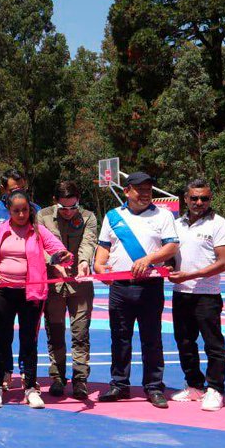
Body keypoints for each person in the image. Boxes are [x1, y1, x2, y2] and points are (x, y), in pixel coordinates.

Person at [95, 172, 179, 408]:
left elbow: (172, 246)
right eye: (139, 189)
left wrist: (149, 258)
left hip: (150, 287)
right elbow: (104, 247)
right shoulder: (112, 216)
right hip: (120, 288)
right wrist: (99, 266)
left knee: (151, 339)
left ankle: (154, 387)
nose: (144, 194)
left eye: (148, 190)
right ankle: (119, 384)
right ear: (127, 191)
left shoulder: (163, 215)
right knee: (119, 338)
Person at [0, 191, 70, 409]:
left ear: (30, 210)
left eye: (25, 210)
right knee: (3, 340)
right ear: (9, 211)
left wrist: (63, 256)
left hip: (31, 292)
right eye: (16, 210)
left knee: (29, 340)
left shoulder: (39, 231)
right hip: (3, 291)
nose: (21, 214)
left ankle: (30, 386)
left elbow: (57, 249)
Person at [169, 178, 225, 412]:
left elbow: (224, 263)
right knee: (184, 342)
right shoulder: (177, 225)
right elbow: (168, 255)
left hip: (208, 295)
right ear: (185, 199)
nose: (199, 202)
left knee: (213, 344)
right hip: (181, 293)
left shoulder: (219, 224)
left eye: (204, 198)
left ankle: (215, 389)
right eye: (194, 198)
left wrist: (190, 275)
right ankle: (194, 385)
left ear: (210, 199)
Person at [37, 181, 98, 400]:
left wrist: (83, 262)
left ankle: (80, 380)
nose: (69, 212)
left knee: (80, 333)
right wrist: (53, 262)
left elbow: (88, 243)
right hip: (53, 284)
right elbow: (38, 246)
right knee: (54, 332)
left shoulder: (88, 217)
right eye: (64, 208)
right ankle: (57, 377)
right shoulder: (42, 217)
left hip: (80, 284)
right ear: (55, 202)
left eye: (73, 207)